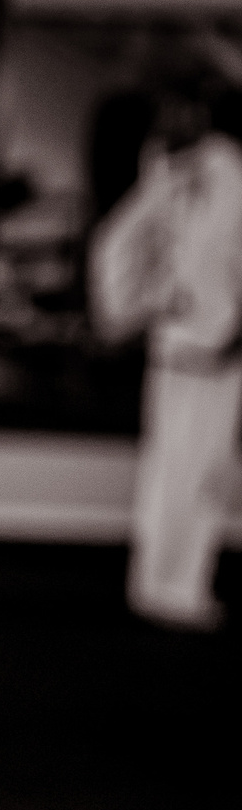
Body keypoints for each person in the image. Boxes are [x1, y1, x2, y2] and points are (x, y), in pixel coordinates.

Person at [89, 73, 242, 631]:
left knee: (189, 467)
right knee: (181, 467)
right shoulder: (186, 172)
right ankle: (167, 587)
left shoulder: (207, 172)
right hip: (196, 342)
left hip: (201, 340)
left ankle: (168, 584)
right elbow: (137, 244)